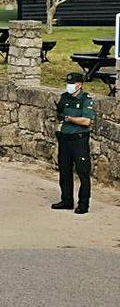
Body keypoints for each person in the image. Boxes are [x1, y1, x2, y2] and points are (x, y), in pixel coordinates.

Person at [52, 72, 94, 214]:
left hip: (79, 140)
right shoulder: (64, 97)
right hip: (65, 139)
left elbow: (87, 121)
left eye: (72, 83)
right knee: (64, 171)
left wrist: (69, 118)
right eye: (68, 83)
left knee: (83, 172)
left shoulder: (86, 99)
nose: (69, 86)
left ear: (80, 85)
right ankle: (66, 200)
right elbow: (59, 115)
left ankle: (83, 204)